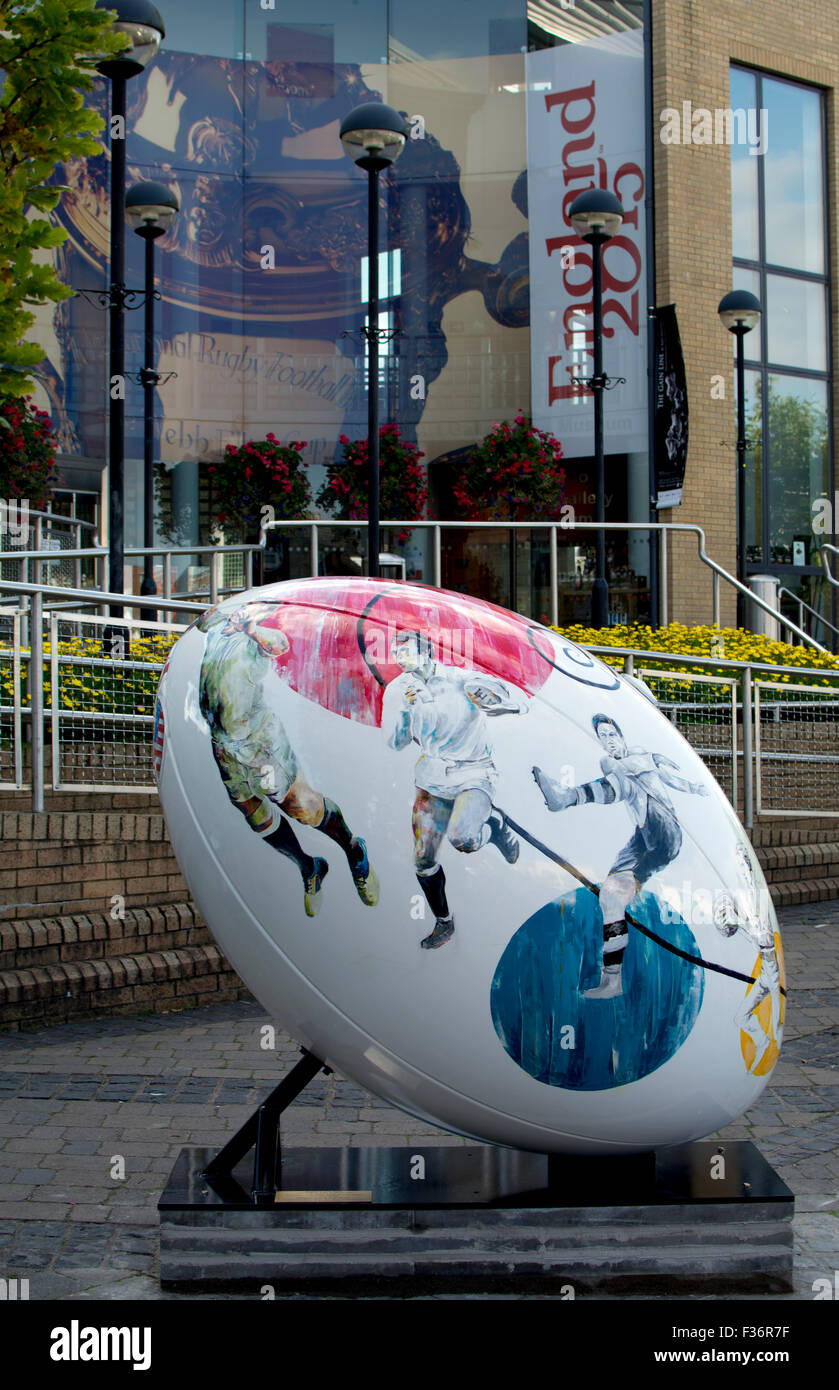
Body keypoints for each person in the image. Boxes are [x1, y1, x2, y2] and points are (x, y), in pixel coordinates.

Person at [199, 602, 378, 917]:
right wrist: (228, 614)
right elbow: (202, 623)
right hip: (224, 746)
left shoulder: (255, 638)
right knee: (254, 816)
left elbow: (279, 645)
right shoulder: (217, 633)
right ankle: (309, 867)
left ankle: (354, 851)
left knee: (301, 808)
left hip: (259, 746)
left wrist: (250, 627)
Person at [533, 712, 708, 999]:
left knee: (623, 776)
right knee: (610, 898)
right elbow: (633, 766)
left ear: (622, 735)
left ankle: (568, 797)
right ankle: (612, 979)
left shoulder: (634, 760)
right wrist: (654, 759)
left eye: (611, 734)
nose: (608, 741)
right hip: (643, 837)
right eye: (603, 738)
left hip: (665, 829)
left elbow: (669, 778)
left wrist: (694, 787)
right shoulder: (616, 763)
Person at [383, 628, 527, 949]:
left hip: (474, 772)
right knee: (423, 859)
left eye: (408, 650)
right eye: (397, 653)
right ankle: (444, 922)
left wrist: (497, 702)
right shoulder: (398, 691)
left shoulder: (462, 679)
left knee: (463, 839)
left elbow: (517, 704)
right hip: (432, 778)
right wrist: (405, 714)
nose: (402, 658)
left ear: (427, 652)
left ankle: (495, 827)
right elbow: (394, 741)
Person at [714, 845, 782, 1071]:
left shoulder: (754, 894)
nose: (741, 870)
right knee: (741, 1016)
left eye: (743, 865)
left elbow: (758, 930)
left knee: (776, 1014)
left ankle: (771, 1041)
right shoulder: (743, 893)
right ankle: (763, 1041)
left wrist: (735, 920)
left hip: (770, 964)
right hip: (765, 969)